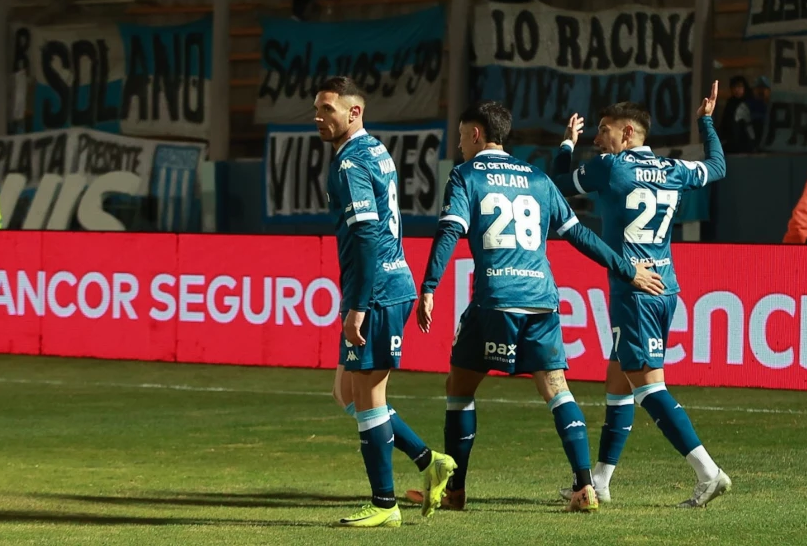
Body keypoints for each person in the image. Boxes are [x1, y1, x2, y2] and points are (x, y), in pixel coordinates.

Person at [410, 100, 666, 513]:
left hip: (494, 300)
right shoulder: (537, 178)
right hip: (542, 302)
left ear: (476, 134)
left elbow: (448, 232)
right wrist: (627, 270)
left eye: (460, 136)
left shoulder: (465, 175)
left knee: (459, 389)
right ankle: (585, 488)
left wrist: (430, 286)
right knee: (557, 391)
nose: (458, 145)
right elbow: (581, 235)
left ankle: (455, 492)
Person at [548, 84, 732, 508]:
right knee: (619, 380)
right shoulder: (674, 169)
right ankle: (601, 479)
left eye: (603, 130)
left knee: (649, 387)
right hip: (666, 287)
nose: (597, 139)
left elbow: (559, 182)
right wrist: (705, 121)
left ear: (628, 133)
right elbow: (718, 167)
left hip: (634, 289)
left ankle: (708, 472)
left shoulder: (610, 168)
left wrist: (566, 144)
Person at [313, 76, 457, 528]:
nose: (319, 118)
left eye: (328, 110)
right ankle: (430, 460)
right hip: (378, 287)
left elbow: (368, 233)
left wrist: (358, 303)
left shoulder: (350, 163)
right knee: (346, 393)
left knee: (370, 397)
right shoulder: (373, 149)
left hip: (375, 292)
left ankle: (383, 504)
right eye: (317, 109)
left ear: (355, 111)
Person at [718, 75, 756, 153]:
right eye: (734, 87)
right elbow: (725, 123)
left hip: (748, 144)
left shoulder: (751, 102)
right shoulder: (731, 103)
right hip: (732, 144)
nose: (736, 90)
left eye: (739, 87)